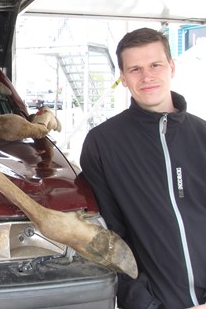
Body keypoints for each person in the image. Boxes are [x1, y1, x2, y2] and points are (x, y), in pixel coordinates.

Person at [80, 27, 206, 309]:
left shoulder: (203, 135)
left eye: (155, 65)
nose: (147, 76)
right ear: (123, 78)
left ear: (171, 67)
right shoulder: (102, 143)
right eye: (135, 69)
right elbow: (107, 238)